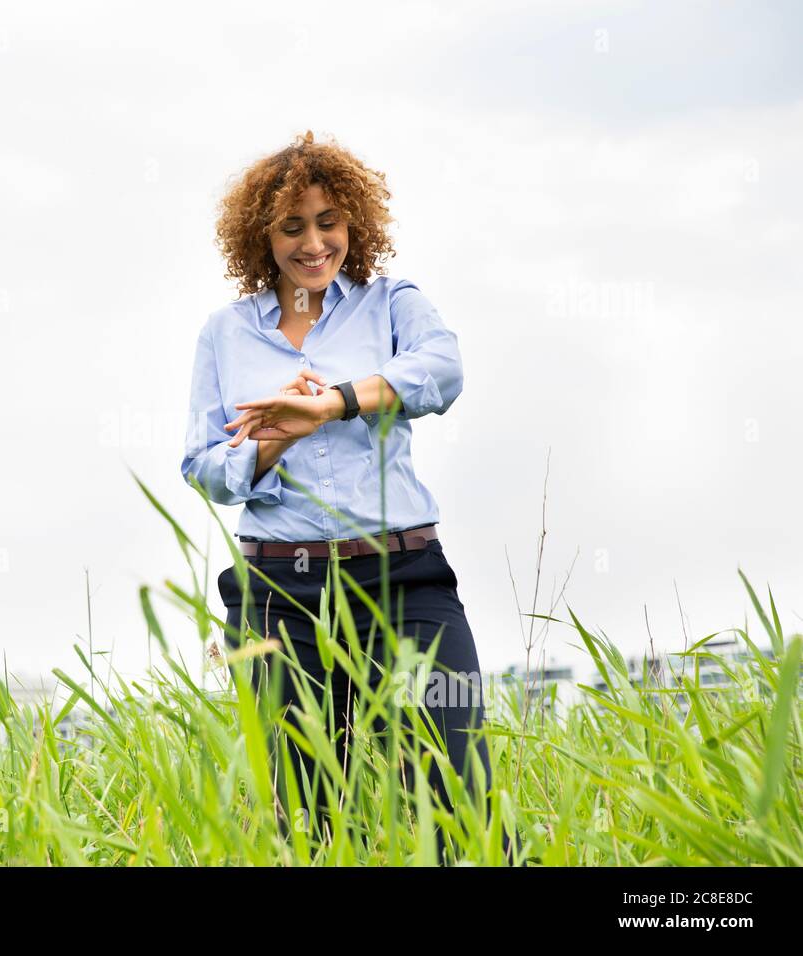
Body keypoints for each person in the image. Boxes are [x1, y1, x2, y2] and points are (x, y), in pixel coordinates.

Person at [180, 130, 516, 864]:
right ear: (259, 235)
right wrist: (278, 435)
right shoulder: (225, 334)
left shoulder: (390, 302)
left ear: (353, 224)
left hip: (403, 581)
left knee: (461, 799)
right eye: (291, 225)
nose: (312, 241)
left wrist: (332, 402)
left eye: (328, 221)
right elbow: (203, 465)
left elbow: (442, 372)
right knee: (310, 824)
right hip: (278, 595)